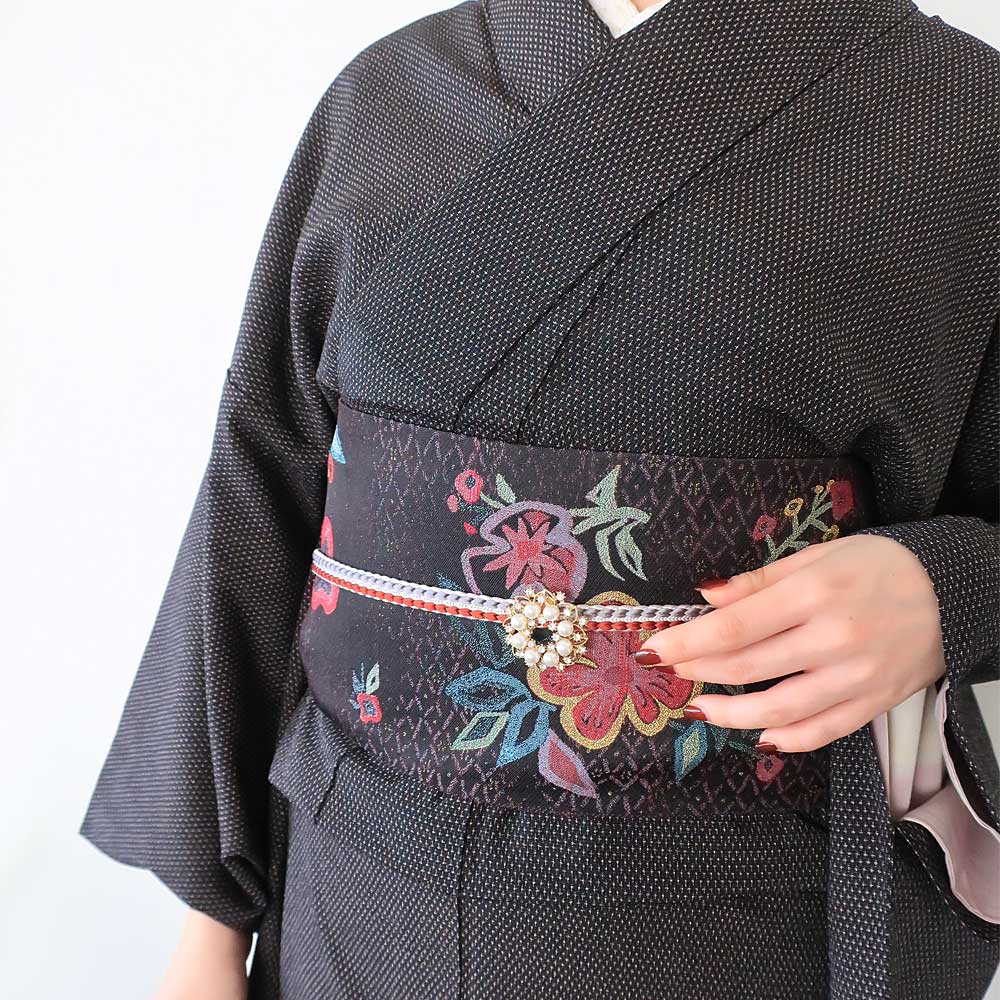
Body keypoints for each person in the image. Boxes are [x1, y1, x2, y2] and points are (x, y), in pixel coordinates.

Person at [80, 1, 1000, 998]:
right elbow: (263, 485)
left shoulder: (955, 117)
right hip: (357, 892)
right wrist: (211, 928)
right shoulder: (389, 97)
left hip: (742, 912)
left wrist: (950, 591)